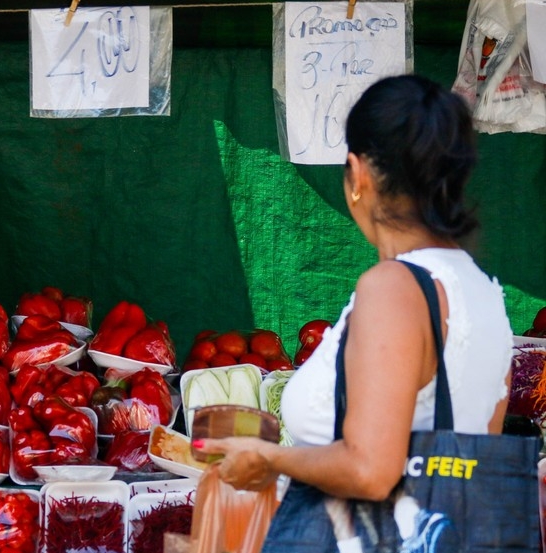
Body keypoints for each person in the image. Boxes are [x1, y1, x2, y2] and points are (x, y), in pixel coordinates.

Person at [193, 75, 512, 545]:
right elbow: (471, 461)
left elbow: (370, 471)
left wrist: (269, 459)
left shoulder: (393, 287)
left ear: (358, 174)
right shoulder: (485, 294)